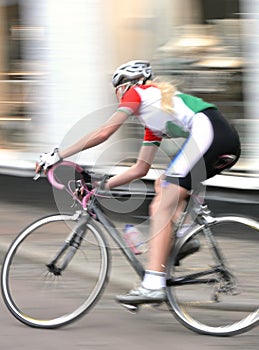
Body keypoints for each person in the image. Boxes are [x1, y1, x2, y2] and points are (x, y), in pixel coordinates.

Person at [36, 60, 241, 305]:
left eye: (117, 90)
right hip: (221, 138)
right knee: (163, 183)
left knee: (160, 205)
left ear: (127, 86)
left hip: (211, 133)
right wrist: (99, 188)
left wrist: (57, 155)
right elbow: (140, 169)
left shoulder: (139, 93)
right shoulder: (153, 120)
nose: (118, 97)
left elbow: (104, 132)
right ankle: (183, 238)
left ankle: (153, 284)